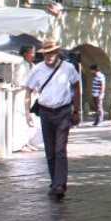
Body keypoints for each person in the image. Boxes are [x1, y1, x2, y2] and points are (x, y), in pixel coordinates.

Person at [24, 38, 81, 200]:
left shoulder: (68, 68)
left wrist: (76, 110)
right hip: (46, 113)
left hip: (63, 112)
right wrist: (27, 113)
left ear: (57, 53)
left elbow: (77, 86)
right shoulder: (38, 69)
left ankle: (59, 185)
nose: (48, 56)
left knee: (60, 149)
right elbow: (28, 90)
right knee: (50, 151)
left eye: (51, 53)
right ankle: (55, 182)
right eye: (46, 53)